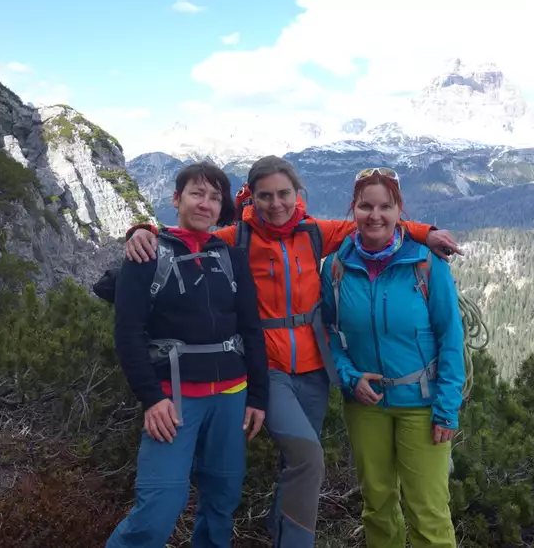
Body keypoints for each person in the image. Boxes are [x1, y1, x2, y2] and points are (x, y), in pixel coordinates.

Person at [123, 156, 463, 548]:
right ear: (252, 198)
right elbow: (189, 236)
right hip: (270, 368)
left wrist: (427, 233)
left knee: (298, 465)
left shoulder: (315, 232)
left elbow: (372, 223)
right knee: (308, 458)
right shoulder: (239, 237)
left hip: (315, 371)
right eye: (265, 196)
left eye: (284, 193)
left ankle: (282, 536)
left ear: (297, 194)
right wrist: (142, 230)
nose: (276, 203)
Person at [106, 162, 269, 548]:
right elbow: (128, 333)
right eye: (197, 194)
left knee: (222, 500)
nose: (206, 204)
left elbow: (251, 329)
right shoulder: (146, 254)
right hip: (173, 400)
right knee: (159, 506)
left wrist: (258, 397)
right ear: (176, 198)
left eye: (215, 198)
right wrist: (151, 399)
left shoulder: (231, 257)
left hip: (232, 397)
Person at [320, 167, 463, 548]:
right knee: (377, 506)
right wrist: (350, 377)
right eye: (366, 206)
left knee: (428, 511)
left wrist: (448, 407)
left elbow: (451, 336)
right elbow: (330, 332)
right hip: (365, 404)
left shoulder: (426, 263)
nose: (375, 215)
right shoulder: (335, 266)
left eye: (386, 206)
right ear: (353, 209)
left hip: (423, 402)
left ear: (400, 210)